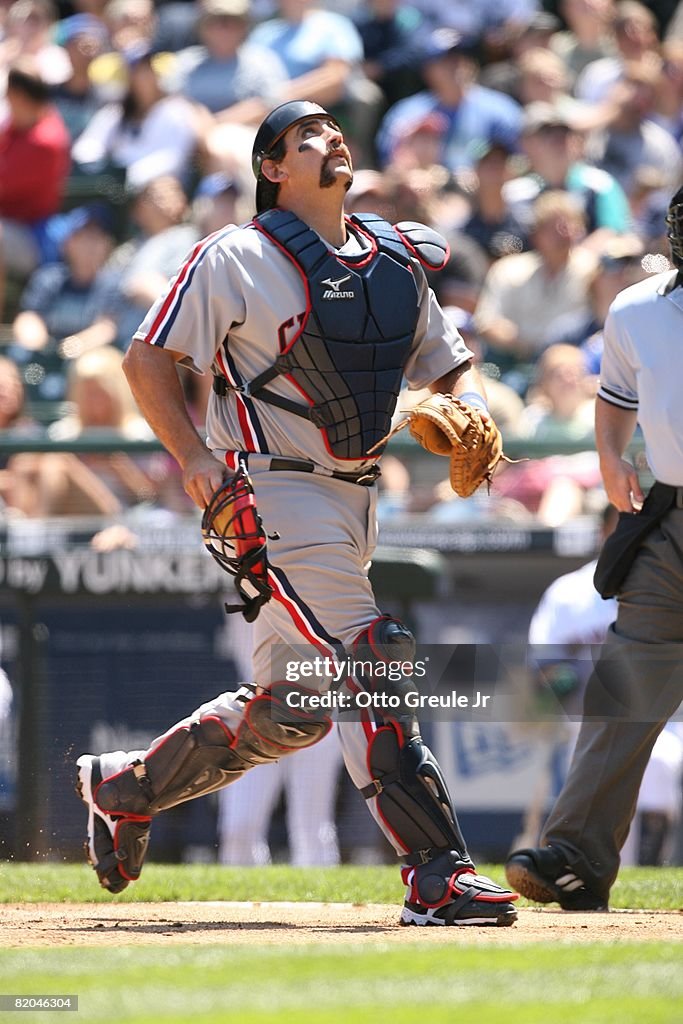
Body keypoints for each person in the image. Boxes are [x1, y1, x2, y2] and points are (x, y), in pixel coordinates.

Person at [74, 99, 518, 927]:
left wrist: (475, 410)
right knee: (370, 654)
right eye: (304, 135)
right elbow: (144, 358)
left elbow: (451, 368)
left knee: (297, 706)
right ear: (272, 168)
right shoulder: (235, 253)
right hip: (270, 487)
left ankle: (124, 787)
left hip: (355, 496)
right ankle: (436, 873)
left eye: (335, 129)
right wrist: (194, 458)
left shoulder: (394, 255)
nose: (330, 138)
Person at [505, 185, 683, 910]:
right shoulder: (637, 308)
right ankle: (576, 857)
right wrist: (610, 454)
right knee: (626, 683)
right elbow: (615, 394)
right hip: (670, 518)